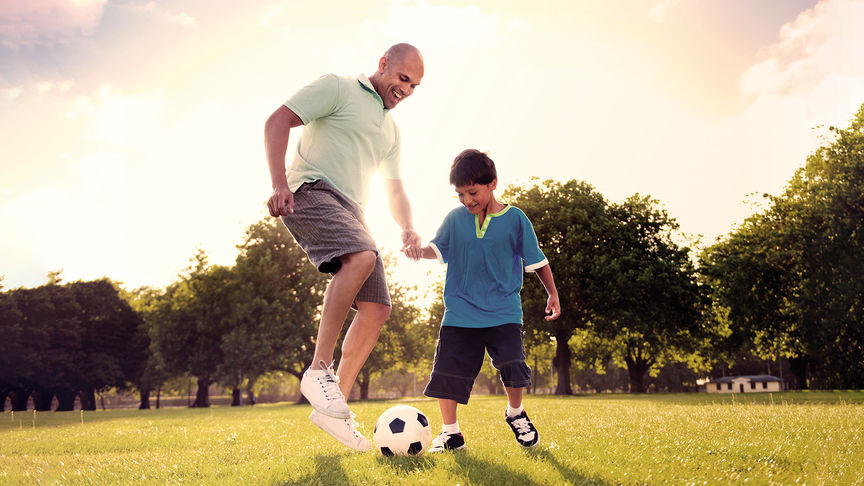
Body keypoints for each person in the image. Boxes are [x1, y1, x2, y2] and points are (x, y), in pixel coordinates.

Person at [264, 43, 424, 451]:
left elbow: (395, 189)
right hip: (311, 189)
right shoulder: (338, 87)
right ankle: (319, 370)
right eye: (402, 78)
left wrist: (407, 227)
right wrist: (279, 183)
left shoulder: (391, 131)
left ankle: (334, 411)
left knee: (377, 309)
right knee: (363, 256)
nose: (405, 89)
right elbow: (277, 120)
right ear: (383, 64)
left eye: (414, 85)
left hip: (353, 209)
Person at [403, 149, 561, 452]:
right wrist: (416, 251)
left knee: (514, 365)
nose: (467, 200)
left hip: (504, 311)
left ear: (492, 184)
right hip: (460, 313)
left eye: (472, 192)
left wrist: (552, 293)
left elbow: (537, 260)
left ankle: (515, 413)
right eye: (460, 194)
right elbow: (437, 250)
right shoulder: (455, 219)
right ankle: (451, 434)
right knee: (447, 372)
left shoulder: (515, 219)